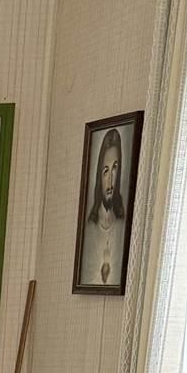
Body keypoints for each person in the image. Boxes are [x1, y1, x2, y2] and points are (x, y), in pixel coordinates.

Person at [79, 124, 130, 289]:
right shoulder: (90, 226)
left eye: (115, 168)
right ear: (98, 175)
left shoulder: (123, 225)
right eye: (105, 171)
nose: (110, 181)